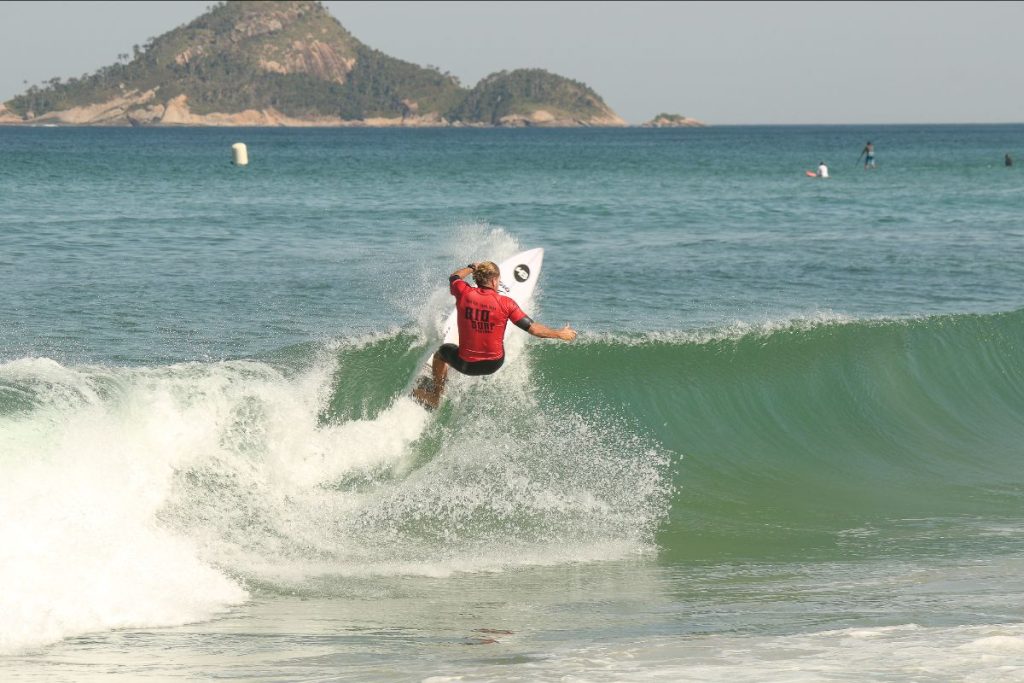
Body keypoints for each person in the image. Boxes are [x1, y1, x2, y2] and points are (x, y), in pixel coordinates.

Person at [412, 261, 577, 408]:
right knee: (499, 328)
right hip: (494, 364)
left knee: (442, 353)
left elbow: (454, 277)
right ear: (494, 281)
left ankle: (435, 396)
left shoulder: (463, 292)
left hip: (465, 365)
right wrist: (560, 333)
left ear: (477, 279)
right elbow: (534, 329)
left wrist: (470, 268)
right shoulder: (507, 303)